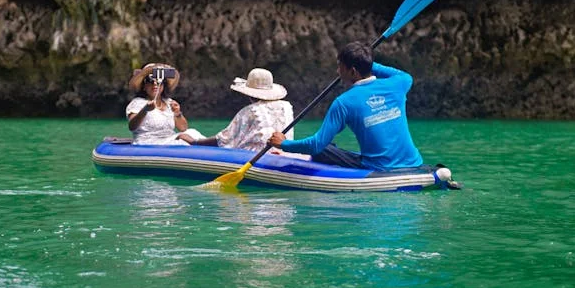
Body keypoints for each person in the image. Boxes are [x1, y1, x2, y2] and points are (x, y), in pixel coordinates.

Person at [268, 41, 423, 171]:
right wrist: (365, 62)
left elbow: (317, 145)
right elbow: (402, 74)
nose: (338, 71)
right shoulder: (399, 83)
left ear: (353, 71)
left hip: (379, 168)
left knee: (326, 149)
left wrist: (284, 144)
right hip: (414, 162)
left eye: (340, 66)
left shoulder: (343, 102)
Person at [178, 68, 307, 159]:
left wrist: (195, 142)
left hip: (257, 156)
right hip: (284, 153)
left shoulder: (250, 111)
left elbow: (222, 140)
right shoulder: (287, 106)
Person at [126, 63, 204, 145]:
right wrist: (144, 110)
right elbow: (132, 127)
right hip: (148, 142)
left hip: (169, 139)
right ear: (144, 86)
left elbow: (183, 128)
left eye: (159, 81)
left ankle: (209, 144)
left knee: (191, 132)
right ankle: (202, 144)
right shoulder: (137, 102)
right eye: (150, 81)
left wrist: (177, 113)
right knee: (183, 137)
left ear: (163, 85)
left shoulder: (169, 102)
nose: (155, 84)